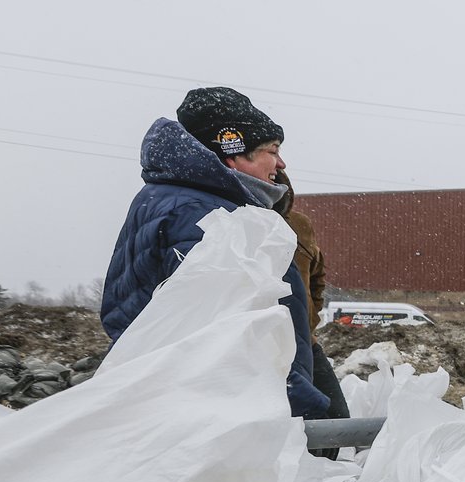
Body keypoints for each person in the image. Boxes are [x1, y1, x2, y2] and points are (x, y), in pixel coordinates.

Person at [101, 87, 328, 419]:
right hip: (229, 405)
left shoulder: (188, 201)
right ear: (233, 152)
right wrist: (300, 399)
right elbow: (221, 332)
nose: (281, 163)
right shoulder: (205, 216)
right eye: (272, 150)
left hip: (196, 396)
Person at [277, 170, 350, 429]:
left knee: (337, 420)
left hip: (306, 342)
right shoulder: (239, 221)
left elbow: (318, 275)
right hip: (270, 344)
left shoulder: (299, 225)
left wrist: (309, 318)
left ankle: (325, 468)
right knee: (288, 423)